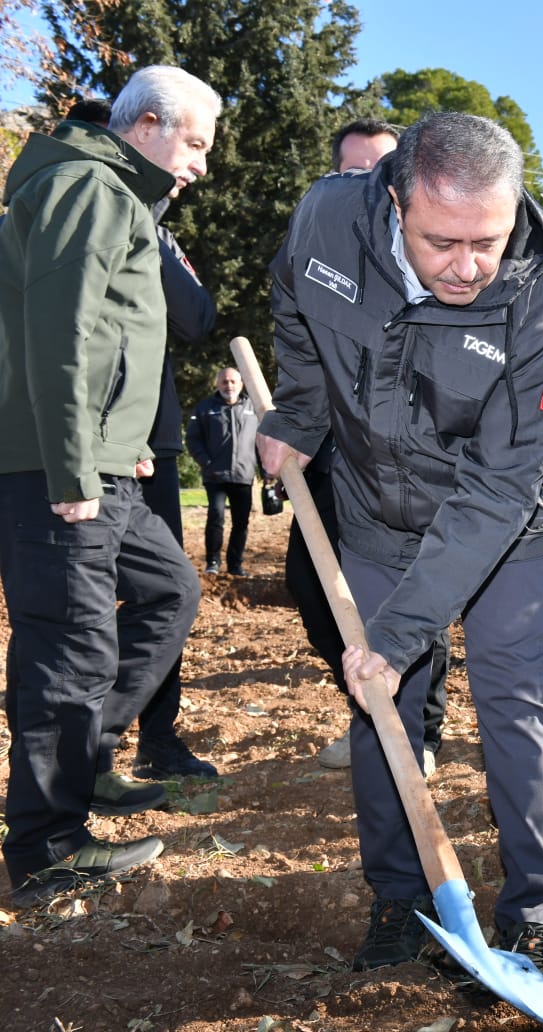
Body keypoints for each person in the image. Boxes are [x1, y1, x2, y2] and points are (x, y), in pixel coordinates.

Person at [259, 111, 543, 977]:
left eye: (490, 239)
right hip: (372, 504)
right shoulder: (326, 221)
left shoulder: (539, 309)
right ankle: (400, 902)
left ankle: (532, 916)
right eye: (444, 242)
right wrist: (298, 411)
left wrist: (403, 636)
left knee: (512, 695)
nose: (469, 267)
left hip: (510, 520)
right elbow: (293, 302)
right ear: (395, 198)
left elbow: (497, 489)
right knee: (381, 704)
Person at [0, 65, 218, 904]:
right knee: (69, 645)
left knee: (170, 591)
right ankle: (47, 843)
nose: (198, 163)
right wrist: (72, 465)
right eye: (194, 143)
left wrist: (119, 444)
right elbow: (61, 336)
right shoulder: (89, 188)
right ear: (150, 124)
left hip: (106, 462)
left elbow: (110, 346)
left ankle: (86, 763)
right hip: (62, 471)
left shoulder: (119, 195)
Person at [283, 117, 449, 776]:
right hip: (327, 450)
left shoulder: (428, 264)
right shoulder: (317, 250)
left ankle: (420, 732)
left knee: (406, 595)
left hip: (401, 460)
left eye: (381, 173)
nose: (368, 187)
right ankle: (373, 714)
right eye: (353, 173)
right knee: (313, 585)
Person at [61, 97, 219, 782]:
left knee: (165, 596)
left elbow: (197, 318)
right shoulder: (70, 212)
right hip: (87, 445)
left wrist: (148, 232)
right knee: (85, 609)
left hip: (153, 441)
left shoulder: (152, 229)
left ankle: (156, 737)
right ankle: (73, 751)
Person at [187, 367, 259, 576]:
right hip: (215, 476)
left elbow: (261, 442)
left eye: (233, 381)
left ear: (241, 384)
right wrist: (206, 462)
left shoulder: (253, 408)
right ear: (218, 384)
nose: (229, 386)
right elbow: (193, 439)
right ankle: (213, 562)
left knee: (241, 522)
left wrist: (267, 471)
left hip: (243, 476)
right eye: (225, 382)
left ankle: (235, 565)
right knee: (216, 516)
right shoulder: (205, 408)